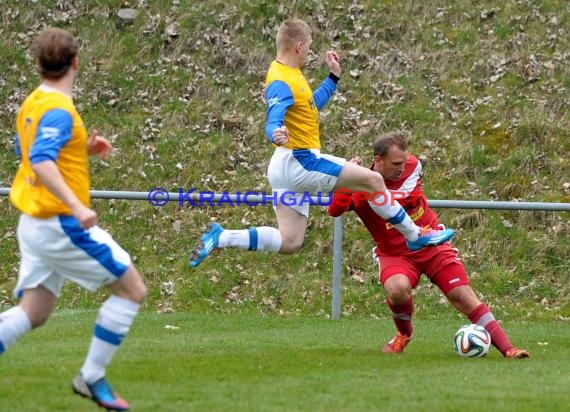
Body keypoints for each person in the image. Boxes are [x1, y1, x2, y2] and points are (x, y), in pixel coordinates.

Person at [189, 18, 454, 267]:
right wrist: (273, 132)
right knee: (374, 181)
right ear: (299, 46)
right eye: (309, 48)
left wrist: (333, 78)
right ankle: (414, 233)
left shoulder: (287, 73)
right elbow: (274, 116)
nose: (308, 54)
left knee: (290, 241)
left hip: (282, 166)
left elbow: (310, 107)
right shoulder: (282, 81)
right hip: (300, 161)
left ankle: (221, 237)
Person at [0, 28, 147, 411]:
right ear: (76, 62)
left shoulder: (33, 101)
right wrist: (78, 207)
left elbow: (32, 148)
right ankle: (92, 376)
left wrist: (82, 149)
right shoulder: (58, 109)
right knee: (132, 290)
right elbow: (42, 159)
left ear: (39, 64)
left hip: (33, 223)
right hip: (60, 223)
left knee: (34, 312)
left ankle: (92, 377)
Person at [328, 131, 530, 359]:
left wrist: (362, 183)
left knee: (462, 296)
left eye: (403, 162)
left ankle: (509, 349)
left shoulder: (412, 168)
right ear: (378, 159)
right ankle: (404, 334)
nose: (401, 168)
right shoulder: (361, 183)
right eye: (395, 163)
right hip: (395, 254)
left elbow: (393, 198)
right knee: (396, 289)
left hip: (431, 242)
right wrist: (347, 178)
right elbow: (335, 210)